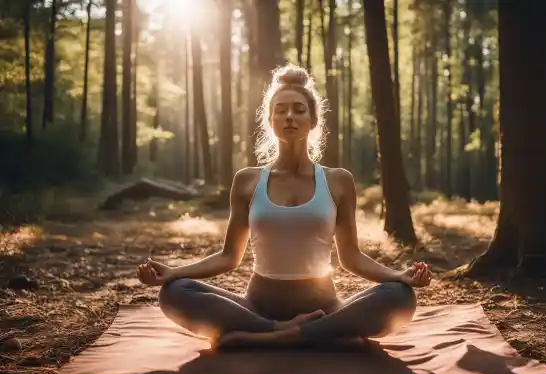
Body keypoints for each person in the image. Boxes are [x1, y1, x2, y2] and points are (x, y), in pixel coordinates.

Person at [136, 63, 432, 348]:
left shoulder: (338, 181)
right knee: (174, 292)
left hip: (325, 307)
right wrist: (174, 272)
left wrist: (398, 276)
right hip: (257, 307)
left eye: (299, 110)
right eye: (281, 110)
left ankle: (273, 337)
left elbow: (351, 258)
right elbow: (229, 257)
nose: (290, 116)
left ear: (314, 120)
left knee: (400, 296)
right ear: (271, 120)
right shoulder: (247, 181)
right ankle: (302, 335)